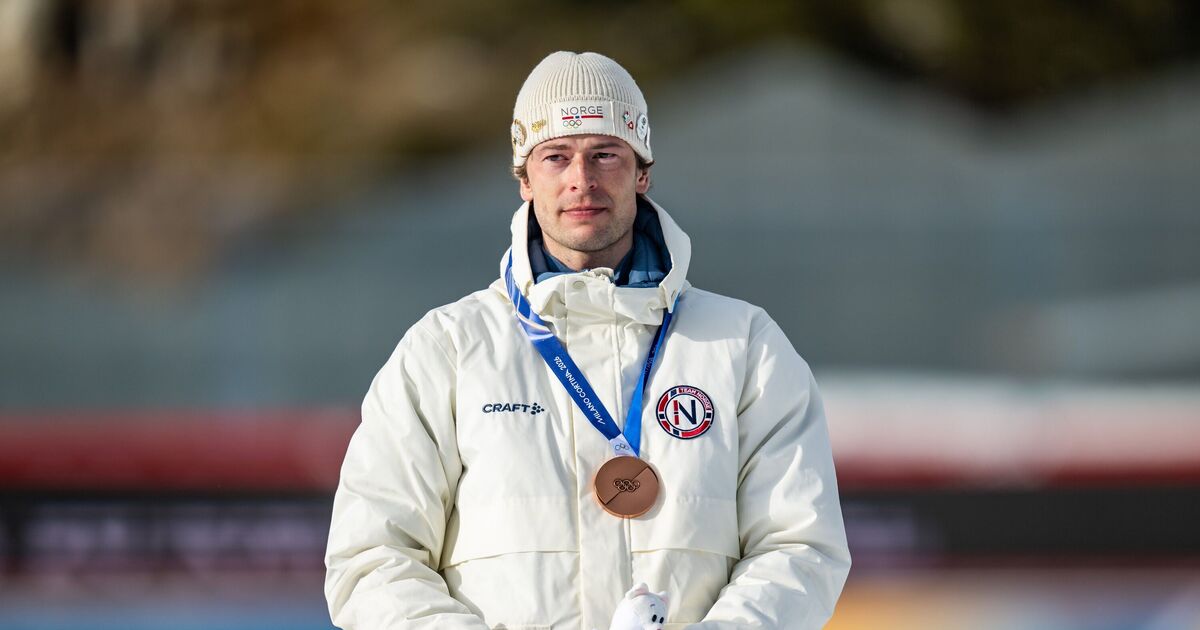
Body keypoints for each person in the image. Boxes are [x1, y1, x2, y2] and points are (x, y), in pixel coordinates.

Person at [324, 51, 851, 630]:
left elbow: (801, 545)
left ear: (642, 171)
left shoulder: (743, 346)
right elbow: (371, 558)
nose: (583, 179)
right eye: (556, 157)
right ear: (524, 179)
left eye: (606, 154)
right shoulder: (447, 349)